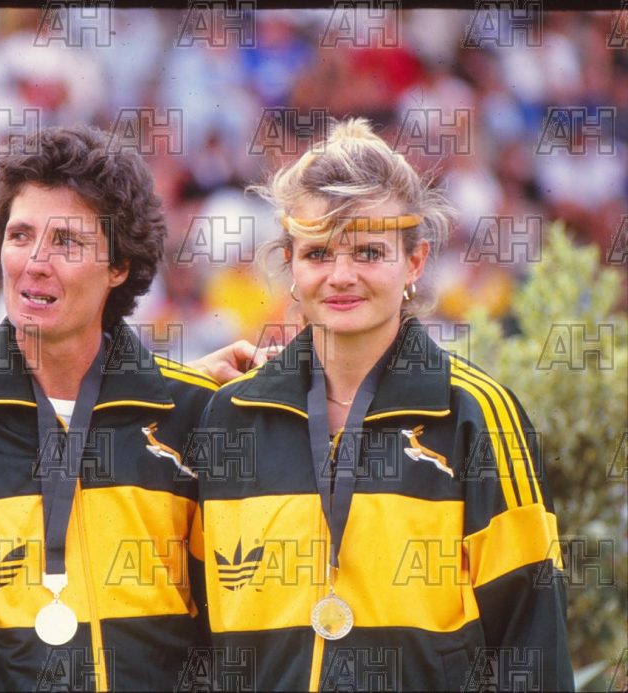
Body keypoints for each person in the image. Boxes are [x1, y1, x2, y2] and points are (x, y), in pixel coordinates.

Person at [195, 118, 573, 690]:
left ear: (415, 262)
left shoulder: (476, 416)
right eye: (318, 253)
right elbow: (193, 634)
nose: (341, 276)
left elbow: (533, 639)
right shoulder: (229, 417)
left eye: (369, 252)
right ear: (291, 264)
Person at [0, 125, 217, 690]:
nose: (36, 261)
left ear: (118, 266)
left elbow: (229, 621)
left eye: (66, 242)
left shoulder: (194, 413)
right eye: (20, 235)